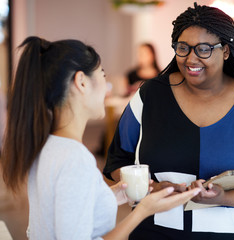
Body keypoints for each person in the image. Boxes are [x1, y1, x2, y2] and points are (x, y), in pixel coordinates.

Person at [103, 3, 234, 240]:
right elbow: (118, 162)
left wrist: (223, 197)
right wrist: (151, 188)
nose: (191, 58)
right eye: (183, 47)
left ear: (225, 51)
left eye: (204, 49)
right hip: (152, 233)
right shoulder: (149, 96)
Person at [0, 36, 201, 240]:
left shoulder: (48, 146)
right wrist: (143, 211)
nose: (106, 89)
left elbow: (66, 208)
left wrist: (114, 195)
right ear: (81, 82)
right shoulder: (75, 159)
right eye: (102, 75)